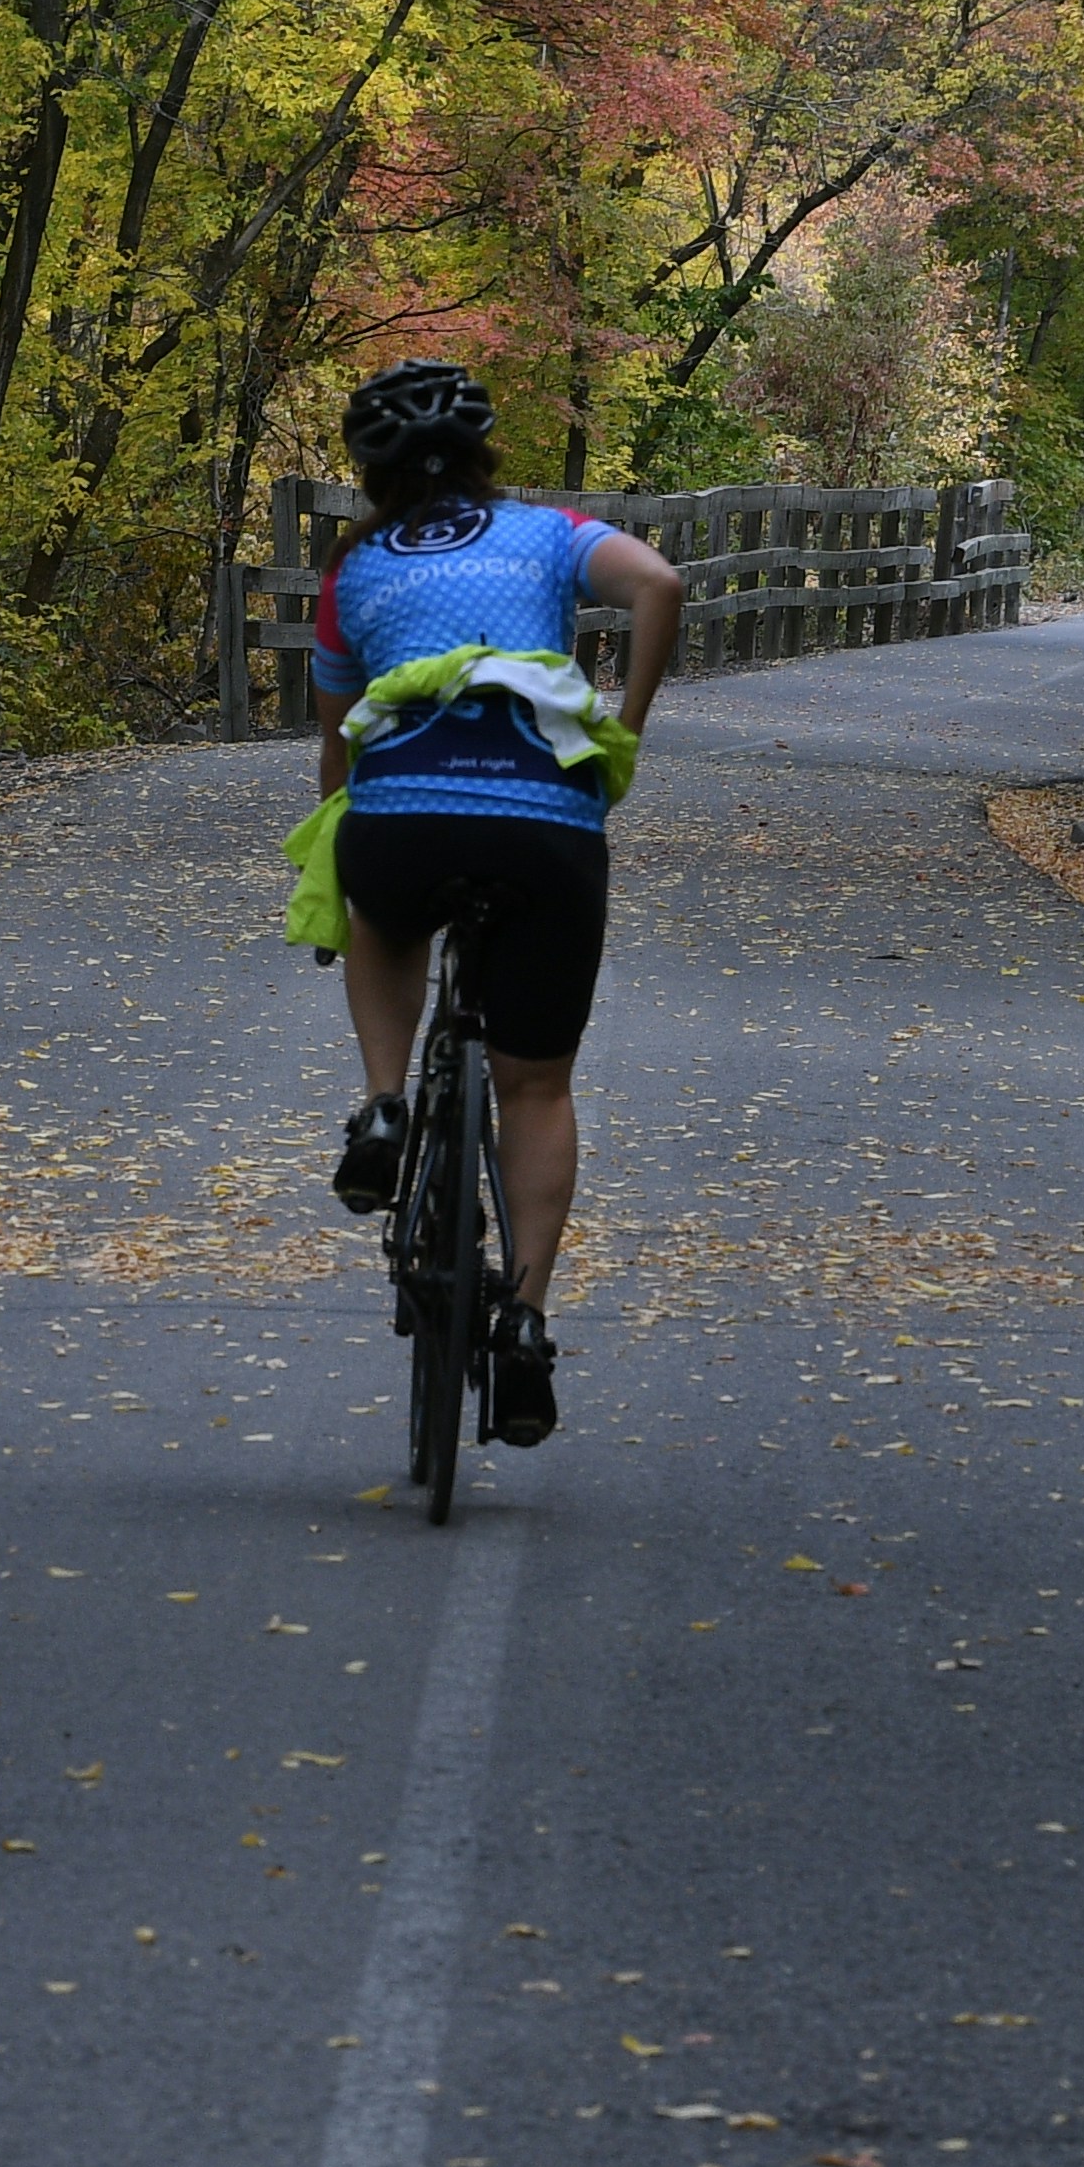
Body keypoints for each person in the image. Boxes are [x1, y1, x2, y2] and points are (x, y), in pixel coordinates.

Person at [306, 357, 684, 1446]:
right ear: (486, 454)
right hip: (545, 823)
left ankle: (385, 1103)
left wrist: (343, 850)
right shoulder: (550, 532)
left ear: (369, 472)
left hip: (406, 814)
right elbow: (657, 584)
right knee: (536, 1087)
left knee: (385, 914)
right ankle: (522, 1321)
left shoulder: (355, 569)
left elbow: (339, 741)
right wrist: (629, 724)